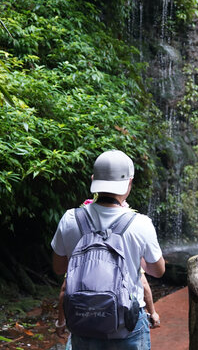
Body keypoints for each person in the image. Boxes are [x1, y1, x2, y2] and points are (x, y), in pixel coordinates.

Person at [51, 150, 165, 349]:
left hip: (82, 319)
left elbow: (59, 268)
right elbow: (157, 271)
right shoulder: (140, 224)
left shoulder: (70, 218)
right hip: (127, 325)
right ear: (129, 182)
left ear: (94, 180)